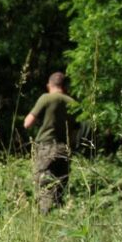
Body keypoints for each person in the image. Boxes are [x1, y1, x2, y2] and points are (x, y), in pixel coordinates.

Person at [24, 72, 76, 214]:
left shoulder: (46, 98)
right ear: (64, 86)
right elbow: (76, 130)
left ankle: (44, 218)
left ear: (49, 85)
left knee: (44, 184)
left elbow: (27, 123)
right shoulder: (72, 102)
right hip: (65, 149)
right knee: (60, 186)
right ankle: (59, 219)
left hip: (46, 147)